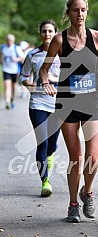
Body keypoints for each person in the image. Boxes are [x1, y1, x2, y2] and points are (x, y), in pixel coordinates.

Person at [39, 0, 98, 222]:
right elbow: (44, 69)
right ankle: (72, 205)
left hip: (91, 102)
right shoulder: (59, 41)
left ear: (87, 11)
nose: (80, 14)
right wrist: (45, 82)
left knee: (93, 157)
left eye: (83, 10)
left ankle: (87, 192)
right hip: (67, 103)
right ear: (68, 13)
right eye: (75, 10)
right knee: (76, 158)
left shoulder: (97, 37)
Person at [20, 20, 60, 197]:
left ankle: (49, 156)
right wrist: (28, 84)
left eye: (50, 31)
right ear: (40, 33)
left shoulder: (63, 53)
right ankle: (45, 181)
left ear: (55, 33)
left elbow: (71, 76)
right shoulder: (33, 54)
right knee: (42, 141)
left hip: (58, 104)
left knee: (52, 144)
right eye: (44, 31)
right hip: (38, 103)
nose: (47, 34)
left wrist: (53, 78)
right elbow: (24, 75)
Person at [0, 34, 25, 109]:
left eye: (10, 41)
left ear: (13, 41)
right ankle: (7, 102)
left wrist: (16, 59)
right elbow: (0, 55)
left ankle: (12, 100)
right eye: (8, 40)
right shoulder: (3, 47)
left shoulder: (16, 48)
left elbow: (23, 57)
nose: (9, 42)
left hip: (15, 70)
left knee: (13, 87)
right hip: (6, 69)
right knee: (7, 86)